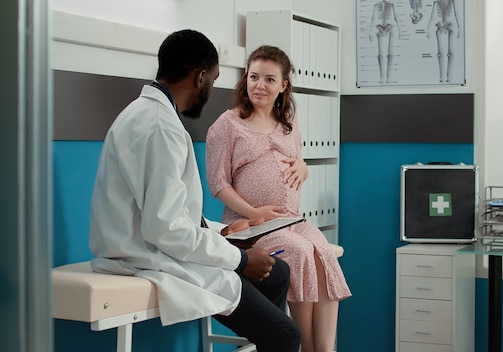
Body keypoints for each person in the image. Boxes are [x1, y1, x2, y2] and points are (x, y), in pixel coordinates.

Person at [88, 30, 301, 352]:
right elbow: (167, 230)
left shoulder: (140, 114)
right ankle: (267, 331)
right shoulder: (162, 128)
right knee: (286, 335)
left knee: (277, 272)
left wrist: (222, 230)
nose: (211, 89)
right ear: (201, 77)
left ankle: (260, 330)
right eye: (213, 80)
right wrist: (241, 259)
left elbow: (163, 209)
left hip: (145, 244)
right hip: (146, 256)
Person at [205, 45, 351, 352]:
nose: (260, 85)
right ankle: (305, 344)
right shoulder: (227, 125)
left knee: (322, 254)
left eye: (270, 79)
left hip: (291, 219)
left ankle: (324, 348)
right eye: (254, 77)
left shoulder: (289, 123)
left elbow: (297, 166)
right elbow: (218, 185)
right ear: (246, 79)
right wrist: (257, 213)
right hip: (249, 226)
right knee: (298, 252)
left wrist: (304, 167)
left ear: (283, 85)